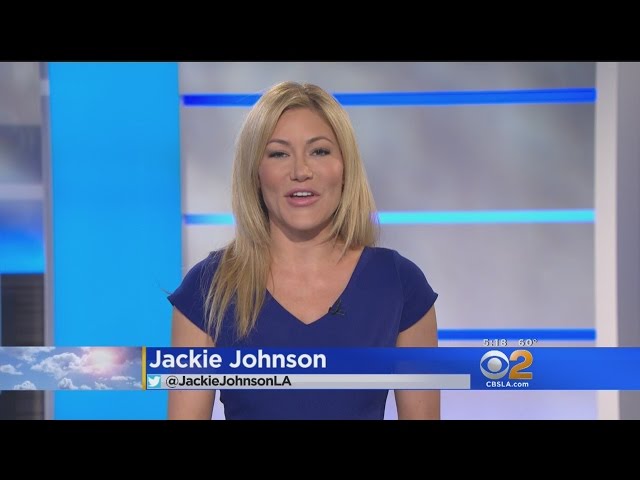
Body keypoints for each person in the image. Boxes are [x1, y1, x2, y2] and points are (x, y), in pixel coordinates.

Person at [167, 81, 439, 420]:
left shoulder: (398, 285)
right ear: (255, 173)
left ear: (345, 167)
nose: (301, 172)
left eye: (319, 151)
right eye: (278, 153)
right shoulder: (208, 290)